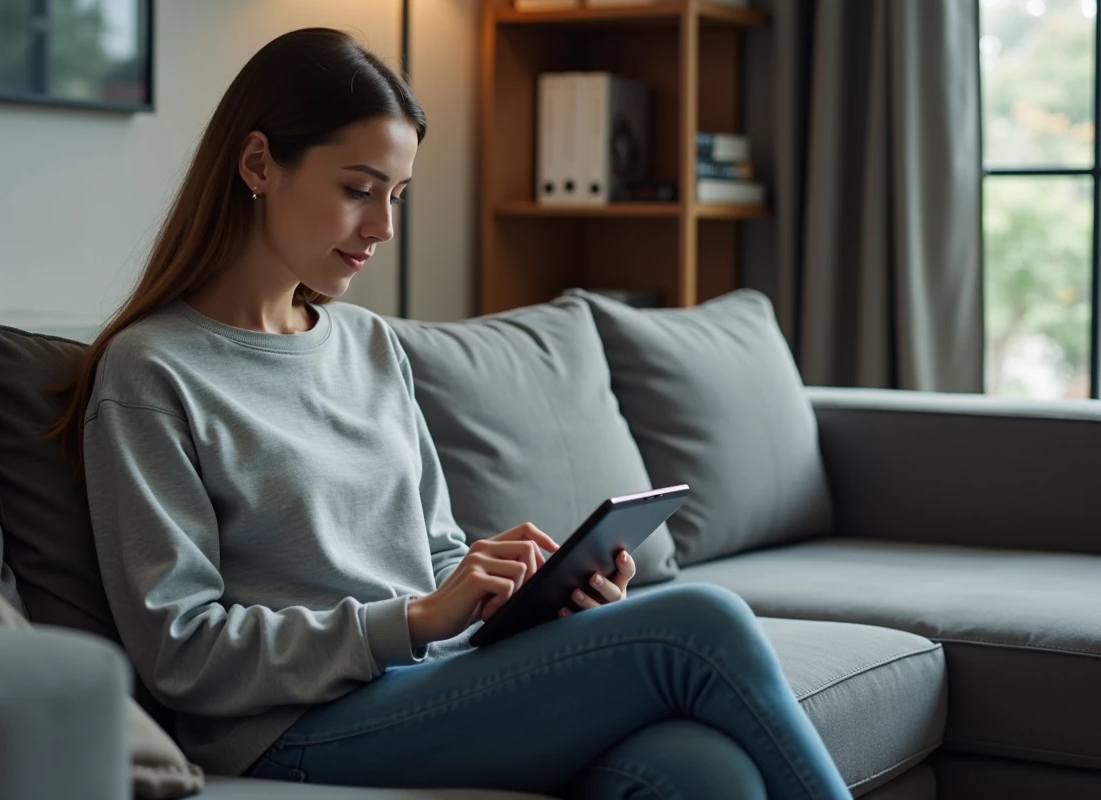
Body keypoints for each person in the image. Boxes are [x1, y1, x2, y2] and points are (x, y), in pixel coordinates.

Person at [49, 28, 851, 800]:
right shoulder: (152, 371)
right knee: (701, 621)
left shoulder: (367, 344)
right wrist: (412, 620)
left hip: (421, 685)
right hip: (288, 734)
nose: (384, 228)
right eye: (358, 190)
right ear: (259, 162)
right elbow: (180, 651)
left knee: (700, 769)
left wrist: (515, 596)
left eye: (396, 196)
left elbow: (432, 553)